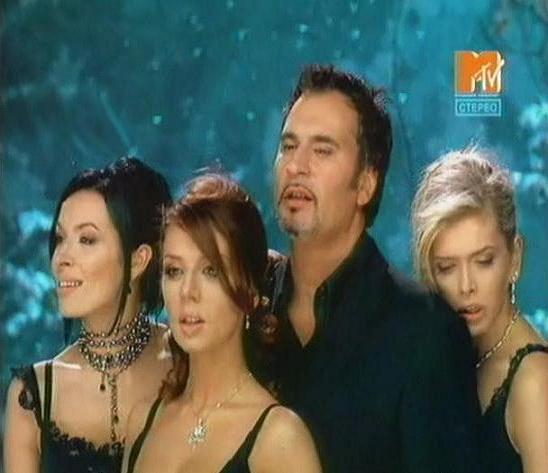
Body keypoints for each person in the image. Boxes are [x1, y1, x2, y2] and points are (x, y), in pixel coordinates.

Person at [268, 64, 482, 472]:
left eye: (322, 150)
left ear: (366, 183)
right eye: (289, 146)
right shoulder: (246, 306)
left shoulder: (424, 331)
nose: (296, 165)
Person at [122, 173, 321, 473]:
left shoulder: (279, 439)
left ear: (250, 292)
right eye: (174, 271)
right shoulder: (142, 422)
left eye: (211, 271)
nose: (188, 292)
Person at [4, 157, 173, 473]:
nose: (61, 258)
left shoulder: (189, 363)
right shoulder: (32, 396)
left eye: (87, 239)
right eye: (60, 239)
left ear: (139, 260)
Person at [412, 148, 548, 473]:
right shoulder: (455, 358)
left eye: (484, 261)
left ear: (515, 258)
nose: (466, 286)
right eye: (446, 267)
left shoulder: (535, 383)